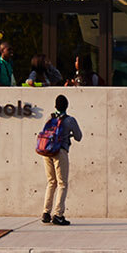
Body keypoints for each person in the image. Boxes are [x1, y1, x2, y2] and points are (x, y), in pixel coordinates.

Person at [39, 94, 83, 226]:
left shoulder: (49, 117)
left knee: (51, 182)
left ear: (55, 106)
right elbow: (79, 137)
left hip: (46, 152)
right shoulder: (70, 120)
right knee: (62, 183)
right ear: (67, 106)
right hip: (60, 151)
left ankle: (46, 213)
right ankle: (58, 214)